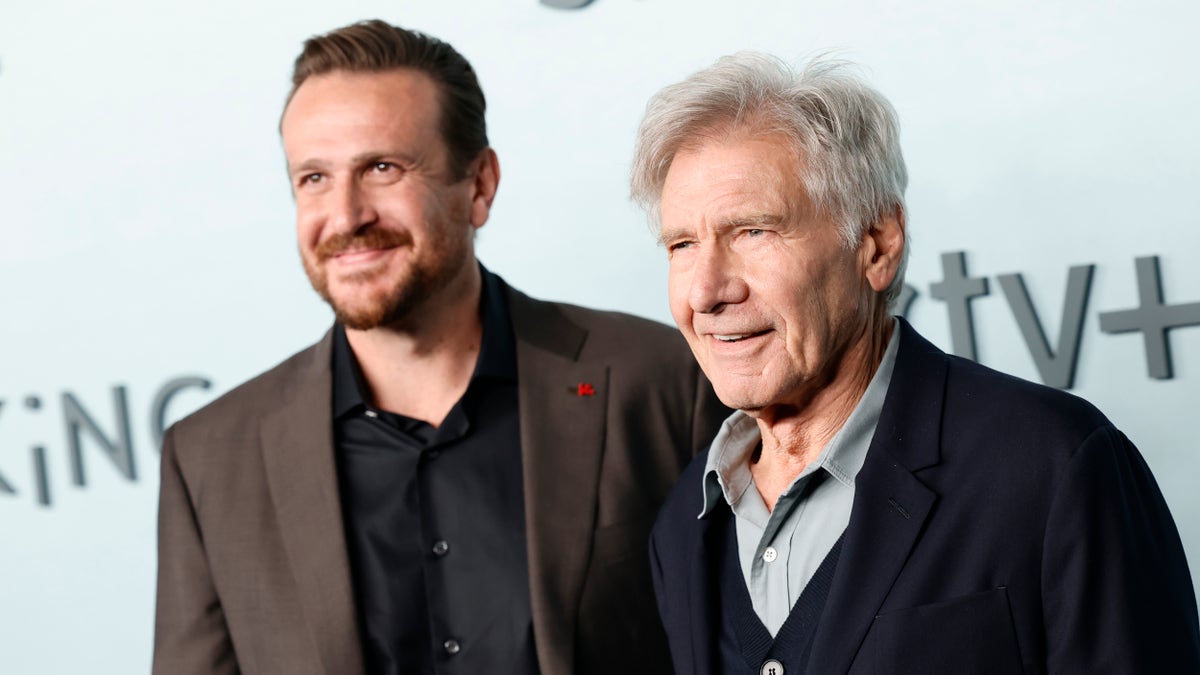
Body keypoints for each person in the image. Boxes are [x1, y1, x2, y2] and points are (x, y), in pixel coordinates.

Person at [153, 20, 726, 675]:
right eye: (313, 177)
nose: (345, 216)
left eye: (382, 167)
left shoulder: (658, 382)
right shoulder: (211, 459)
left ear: (478, 185)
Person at [632, 53, 1200, 674]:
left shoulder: (1053, 464)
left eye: (753, 232)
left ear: (876, 244)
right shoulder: (685, 523)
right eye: (682, 245)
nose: (705, 291)